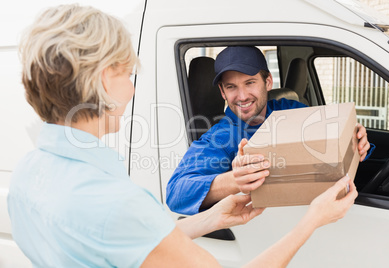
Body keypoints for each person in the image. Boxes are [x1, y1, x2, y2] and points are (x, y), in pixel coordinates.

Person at [8, 5, 358, 267]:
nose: (132, 89)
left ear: (267, 82)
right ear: (103, 81)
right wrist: (313, 219)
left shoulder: (28, 173)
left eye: (250, 82)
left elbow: (130, 243)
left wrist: (212, 217)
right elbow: (152, 210)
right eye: (128, 74)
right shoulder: (117, 202)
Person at [166, 46, 374, 215]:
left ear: (267, 82)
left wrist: (358, 142)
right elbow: (175, 193)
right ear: (222, 92)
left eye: (250, 83)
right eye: (231, 87)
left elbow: (329, 142)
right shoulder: (220, 138)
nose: (242, 96)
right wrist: (234, 180)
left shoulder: (289, 109)